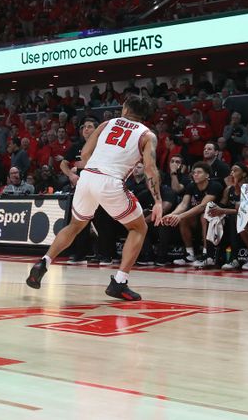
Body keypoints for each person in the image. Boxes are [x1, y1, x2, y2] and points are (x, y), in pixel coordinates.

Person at [26, 95, 162, 301]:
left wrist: (97, 171)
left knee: (75, 225)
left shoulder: (107, 123)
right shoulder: (147, 135)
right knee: (139, 227)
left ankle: (43, 262)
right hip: (110, 181)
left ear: (125, 109)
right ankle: (119, 282)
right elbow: (150, 169)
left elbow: (86, 152)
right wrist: (158, 201)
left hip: (88, 177)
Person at [161, 162, 223, 265]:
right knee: (185, 219)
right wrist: (173, 214)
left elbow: (202, 206)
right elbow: (184, 204)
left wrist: (179, 216)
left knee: (204, 216)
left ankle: (207, 255)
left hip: (218, 220)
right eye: (194, 173)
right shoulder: (191, 185)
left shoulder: (215, 186)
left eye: (199, 172)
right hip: (198, 220)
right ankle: (190, 255)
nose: (195, 175)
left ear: (207, 175)